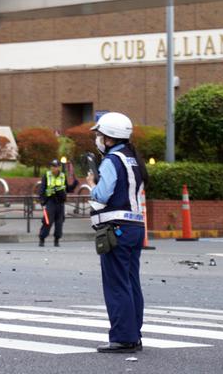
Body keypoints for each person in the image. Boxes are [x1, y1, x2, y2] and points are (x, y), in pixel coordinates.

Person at [85, 112, 148, 354]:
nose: (98, 139)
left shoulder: (111, 160)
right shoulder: (133, 158)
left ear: (109, 137)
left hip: (116, 227)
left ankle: (123, 337)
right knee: (131, 282)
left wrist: (92, 185)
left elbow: (102, 194)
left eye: (100, 134)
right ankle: (134, 335)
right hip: (135, 226)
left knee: (116, 283)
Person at [37, 159, 78, 247]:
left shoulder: (63, 176)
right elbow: (42, 189)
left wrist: (74, 184)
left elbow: (67, 189)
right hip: (50, 201)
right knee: (47, 222)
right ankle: (42, 238)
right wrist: (41, 200)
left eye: (55, 166)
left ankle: (57, 240)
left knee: (59, 223)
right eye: (52, 166)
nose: (53, 168)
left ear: (59, 167)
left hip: (60, 202)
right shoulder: (47, 175)